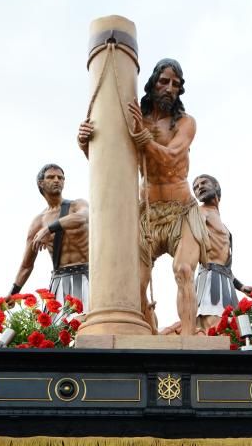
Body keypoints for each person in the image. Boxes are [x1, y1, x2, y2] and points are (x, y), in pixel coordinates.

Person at [78, 59, 210, 335]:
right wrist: (86, 141)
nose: (169, 88)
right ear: (152, 83)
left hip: (182, 211)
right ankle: (149, 338)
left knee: (184, 269)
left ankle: (187, 339)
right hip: (147, 211)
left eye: (175, 84)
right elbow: (110, 162)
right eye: (164, 81)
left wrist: (143, 139)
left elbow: (172, 157)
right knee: (134, 284)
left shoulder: (185, 123)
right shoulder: (136, 118)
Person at [8, 163, 89, 308]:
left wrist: (49, 229)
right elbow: (27, 265)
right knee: (58, 329)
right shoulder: (38, 222)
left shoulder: (77, 205)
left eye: (61, 177)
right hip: (60, 282)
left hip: (89, 277)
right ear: (41, 183)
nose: (57, 180)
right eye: (51, 177)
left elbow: (84, 217)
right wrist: (13, 293)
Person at [192, 174, 252, 330]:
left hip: (226, 283)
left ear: (216, 186)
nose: (199, 187)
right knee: (213, 329)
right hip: (209, 284)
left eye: (203, 182)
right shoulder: (200, 213)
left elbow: (223, 266)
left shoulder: (224, 227)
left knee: (234, 334)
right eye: (195, 186)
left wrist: (242, 287)